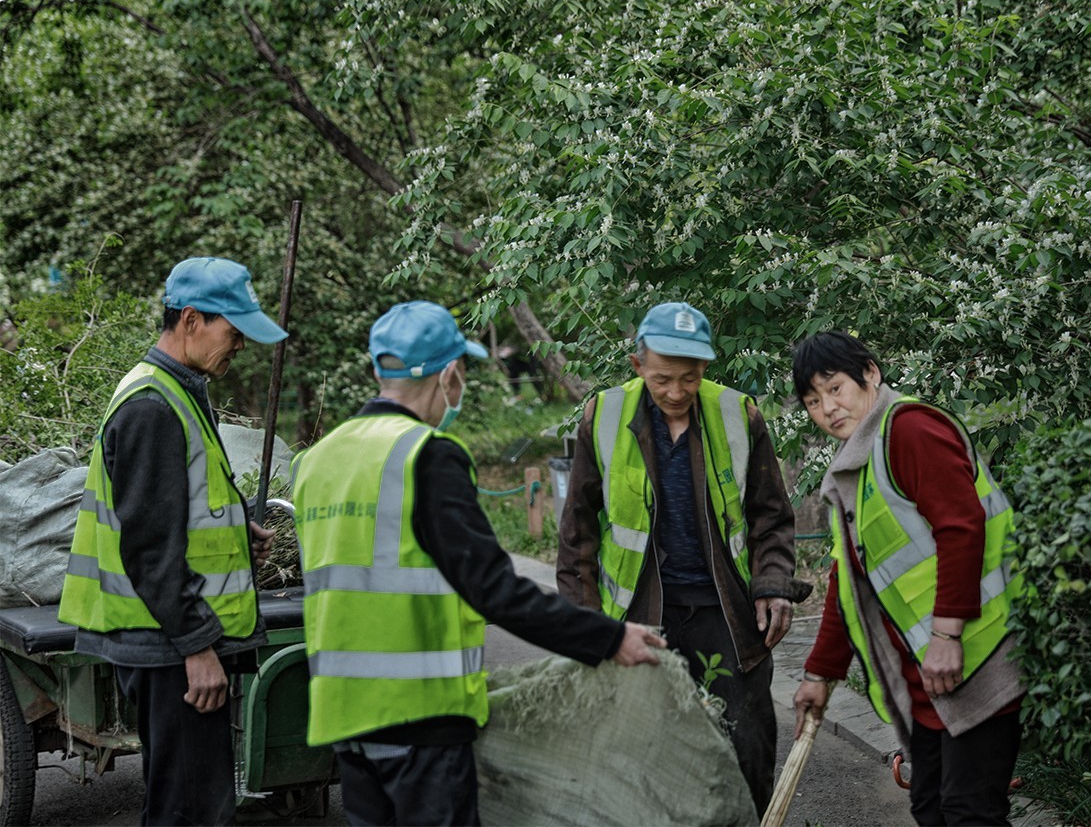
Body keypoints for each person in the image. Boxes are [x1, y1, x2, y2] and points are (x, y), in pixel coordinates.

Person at [291, 300, 667, 827]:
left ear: (379, 370)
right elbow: (493, 588)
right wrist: (608, 638)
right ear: (449, 374)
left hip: (344, 718)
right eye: (462, 371)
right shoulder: (427, 453)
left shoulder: (316, 459)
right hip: (422, 719)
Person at [556, 301, 811, 818]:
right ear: (637, 367)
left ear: (706, 369)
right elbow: (577, 532)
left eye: (689, 379)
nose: (676, 392)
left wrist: (773, 584)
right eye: (662, 379)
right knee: (643, 748)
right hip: (639, 615)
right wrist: (583, 627)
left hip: (727, 614)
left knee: (745, 745)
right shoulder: (601, 416)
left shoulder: (738, 414)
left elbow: (770, 516)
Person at [57, 257, 288, 825]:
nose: (239, 347)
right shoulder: (152, 406)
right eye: (233, 333)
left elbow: (179, 507)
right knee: (191, 811)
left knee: (189, 801)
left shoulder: (178, 389)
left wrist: (237, 532)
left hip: (168, 639)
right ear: (191, 320)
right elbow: (150, 548)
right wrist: (197, 648)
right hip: (169, 645)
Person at [790, 330, 1024, 826]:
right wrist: (820, 674)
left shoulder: (910, 430)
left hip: (977, 658)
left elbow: (963, 527)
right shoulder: (858, 464)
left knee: (968, 814)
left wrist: (947, 634)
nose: (827, 408)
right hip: (929, 680)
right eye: (813, 400)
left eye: (835, 388)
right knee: (931, 807)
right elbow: (848, 584)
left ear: (870, 374)